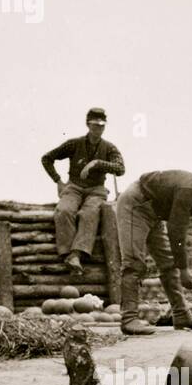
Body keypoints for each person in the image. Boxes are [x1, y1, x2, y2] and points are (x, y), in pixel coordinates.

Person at [115, 167, 192, 335]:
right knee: (134, 262)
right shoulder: (189, 190)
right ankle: (129, 319)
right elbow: (176, 230)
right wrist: (184, 269)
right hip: (137, 203)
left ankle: (181, 315)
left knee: (168, 263)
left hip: (156, 212)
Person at [40, 107, 125, 278]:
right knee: (64, 210)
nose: (98, 129)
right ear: (88, 124)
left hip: (97, 190)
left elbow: (120, 168)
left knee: (89, 214)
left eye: (101, 126)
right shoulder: (74, 144)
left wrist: (97, 163)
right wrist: (58, 181)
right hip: (74, 187)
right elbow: (47, 158)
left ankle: (76, 255)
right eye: (95, 125)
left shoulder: (109, 148)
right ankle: (66, 254)